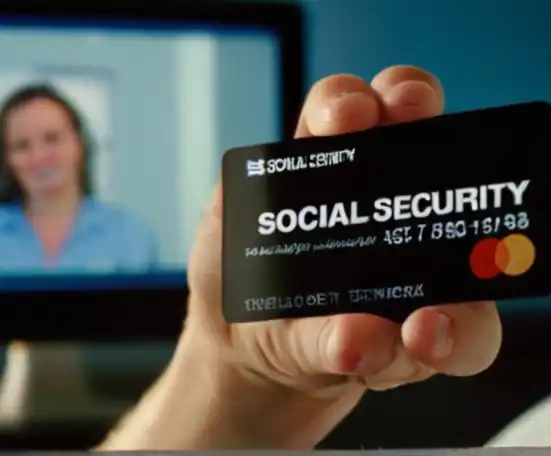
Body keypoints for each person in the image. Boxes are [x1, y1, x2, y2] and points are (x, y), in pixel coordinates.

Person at [96, 65, 503, 450]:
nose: (38, 157)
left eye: (53, 138)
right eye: (26, 142)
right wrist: (233, 369)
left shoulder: (125, 230)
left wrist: (246, 379)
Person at [0, 84, 158, 273]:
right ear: (7, 159)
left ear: (80, 144)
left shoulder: (132, 235)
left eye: (52, 138)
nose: (39, 156)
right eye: (21, 146)